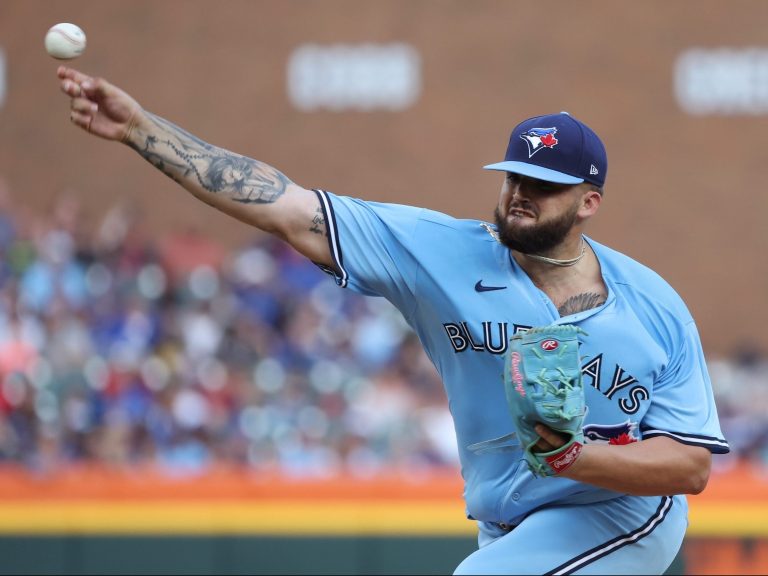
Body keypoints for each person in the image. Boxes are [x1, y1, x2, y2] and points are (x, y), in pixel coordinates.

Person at [58, 66, 729, 575]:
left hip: (619, 515)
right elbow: (288, 208)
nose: (520, 194)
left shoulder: (653, 307)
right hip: (507, 521)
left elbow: (690, 467)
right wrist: (141, 130)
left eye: (543, 185)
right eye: (513, 175)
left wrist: (576, 458)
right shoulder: (443, 254)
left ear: (589, 202)